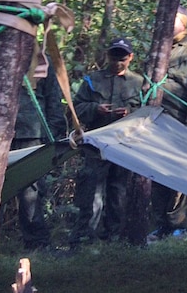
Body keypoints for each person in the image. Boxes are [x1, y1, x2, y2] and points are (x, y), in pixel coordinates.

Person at [70, 38, 146, 246]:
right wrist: (96, 109)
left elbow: (147, 113)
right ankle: (87, 236)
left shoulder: (139, 82)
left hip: (124, 144)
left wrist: (129, 114)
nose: (117, 62)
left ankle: (114, 236)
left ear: (130, 58)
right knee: (92, 190)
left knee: (118, 191)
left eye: (122, 58)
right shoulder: (92, 80)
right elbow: (76, 108)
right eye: (114, 57)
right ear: (107, 55)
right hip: (96, 145)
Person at [150, 7, 187, 241]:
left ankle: (178, 225)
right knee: (157, 174)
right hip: (156, 123)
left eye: (173, 18)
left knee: (179, 178)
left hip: (180, 124)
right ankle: (160, 224)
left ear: (183, 22)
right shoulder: (161, 47)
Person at [9, 52, 66, 250]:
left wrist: (54, 136)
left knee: (30, 191)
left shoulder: (41, 59)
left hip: (31, 133)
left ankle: (37, 243)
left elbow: (53, 99)